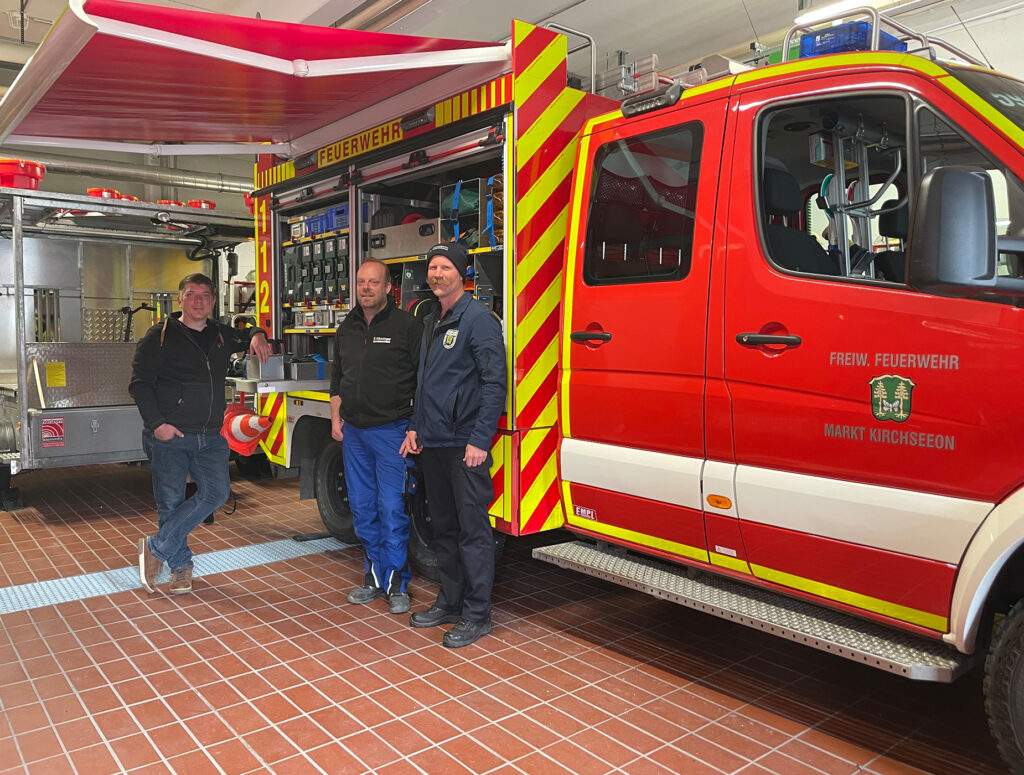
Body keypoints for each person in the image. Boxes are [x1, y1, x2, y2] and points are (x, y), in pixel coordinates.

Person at [129, 272, 270, 595]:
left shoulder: (221, 334)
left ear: (213, 301)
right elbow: (139, 385)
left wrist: (258, 333)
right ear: (179, 298)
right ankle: (181, 566)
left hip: (210, 435)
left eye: (205, 295)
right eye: (192, 294)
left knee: (217, 493)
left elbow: (244, 331)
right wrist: (157, 424)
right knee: (171, 503)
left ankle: (155, 548)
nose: (199, 301)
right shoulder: (159, 337)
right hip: (171, 435)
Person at [400, 243, 506, 648]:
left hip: (465, 444)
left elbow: (495, 382)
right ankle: (450, 599)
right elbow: (424, 382)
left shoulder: (478, 319)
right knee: (443, 528)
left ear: (462, 274)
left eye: (445, 267)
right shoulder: (432, 317)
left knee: (472, 530)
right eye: (432, 267)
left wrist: (480, 439)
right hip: (434, 441)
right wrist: (415, 427)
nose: (437, 273)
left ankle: (478, 614)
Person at [329, 259, 422, 614]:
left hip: (391, 432)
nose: (366, 288)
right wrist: (336, 416)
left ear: (388, 288)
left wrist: (415, 426)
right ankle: (373, 577)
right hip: (354, 434)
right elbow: (338, 377)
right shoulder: (347, 327)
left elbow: (422, 380)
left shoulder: (407, 327)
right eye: (361, 282)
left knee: (391, 506)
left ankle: (398, 582)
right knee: (363, 507)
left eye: (373, 282)